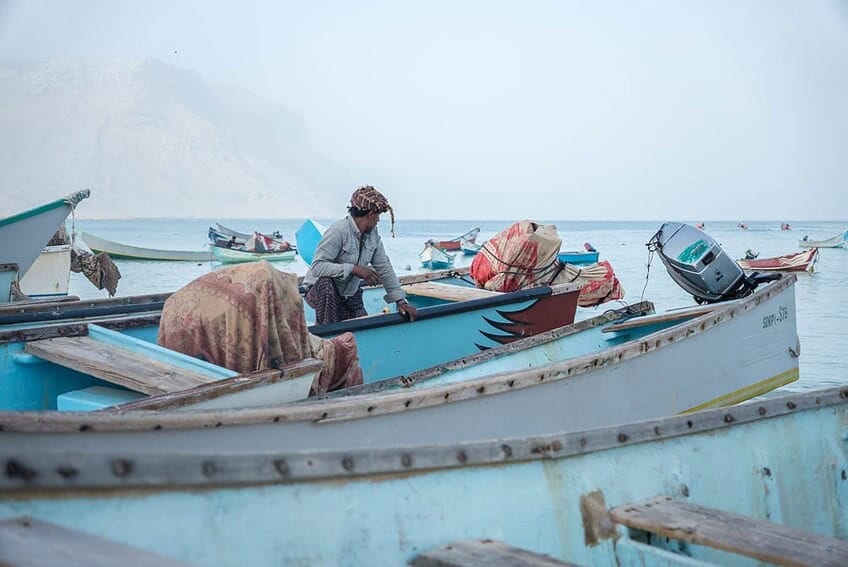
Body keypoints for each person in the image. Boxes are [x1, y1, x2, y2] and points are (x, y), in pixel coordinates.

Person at [303, 185, 418, 325]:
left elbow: (384, 267)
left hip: (348, 294)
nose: (378, 221)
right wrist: (354, 269)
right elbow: (317, 267)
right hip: (319, 292)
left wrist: (401, 301)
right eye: (378, 216)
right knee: (327, 286)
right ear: (371, 214)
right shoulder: (338, 232)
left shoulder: (373, 235)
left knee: (363, 325)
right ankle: (326, 330)